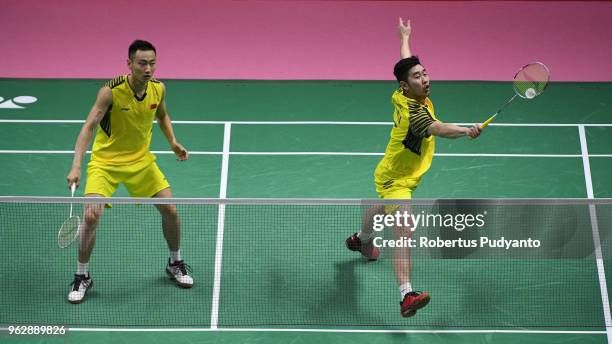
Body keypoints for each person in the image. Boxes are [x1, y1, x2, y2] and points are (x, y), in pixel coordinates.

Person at [346, 18, 482, 317]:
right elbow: (440, 128)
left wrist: (405, 37)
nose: (425, 79)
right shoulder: (414, 115)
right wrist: (466, 130)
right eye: (418, 77)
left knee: (382, 208)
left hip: (397, 172)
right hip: (396, 180)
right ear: (405, 86)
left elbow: (405, 62)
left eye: (425, 73)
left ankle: (360, 240)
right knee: (404, 231)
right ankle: (406, 295)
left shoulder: (405, 92)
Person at [65, 40, 193, 304]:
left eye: (152, 63)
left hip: (141, 161)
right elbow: (89, 126)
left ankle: (175, 261)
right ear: (129, 64)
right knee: (91, 216)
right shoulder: (110, 92)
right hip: (105, 163)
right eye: (142, 63)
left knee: (171, 210)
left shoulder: (158, 89)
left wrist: (173, 142)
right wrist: (77, 165)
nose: (148, 69)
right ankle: (82, 275)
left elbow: (162, 116)